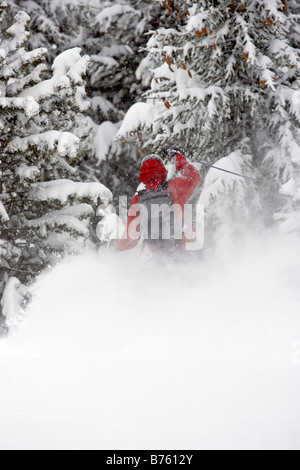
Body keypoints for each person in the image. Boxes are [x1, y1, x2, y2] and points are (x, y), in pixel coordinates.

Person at [116, 147, 201, 253]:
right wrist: (177, 157)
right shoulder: (174, 188)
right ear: (162, 168)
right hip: (184, 247)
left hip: (160, 256)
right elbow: (194, 176)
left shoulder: (138, 199)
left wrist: (115, 247)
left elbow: (131, 238)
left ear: (143, 173)